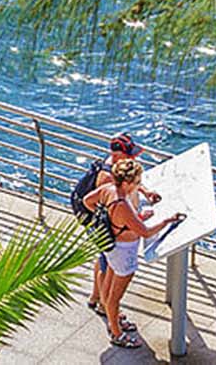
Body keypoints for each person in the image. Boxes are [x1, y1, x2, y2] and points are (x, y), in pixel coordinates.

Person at [83, 158, 183, 350]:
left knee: (110, 286)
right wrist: (167, 221)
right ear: (127, 182)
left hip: (112, 247)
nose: (139, 186)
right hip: (124, 253)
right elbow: (145, 232)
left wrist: (105, 217)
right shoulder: (123, 204)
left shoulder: (109, 190)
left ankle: (114, 320)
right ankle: (117, 333)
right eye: (137, 182)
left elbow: (87, 201)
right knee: (115, 297)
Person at [73, 134, 161, 324]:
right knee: (108, 265)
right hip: (105, 228)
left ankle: (96, 298)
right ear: (119, 155)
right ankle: (107, 308)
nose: (134, 159)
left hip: (104, 223)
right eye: (130, 156)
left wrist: (145, 191)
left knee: (103, 259)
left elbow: (127, 181)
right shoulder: (107, 179)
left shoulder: (114, 166)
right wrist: (107, 220)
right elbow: (113, 206)